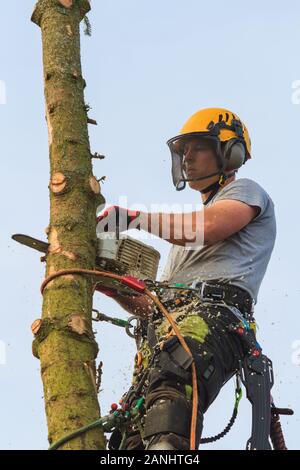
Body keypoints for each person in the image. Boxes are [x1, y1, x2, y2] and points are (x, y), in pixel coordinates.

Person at [96, 107, 277, 450]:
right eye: (183, 151)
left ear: (229, 152)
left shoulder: (247, 193)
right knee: (131, 435)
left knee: (172, 391)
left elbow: (206, 228)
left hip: (212, 321)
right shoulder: (180, 249)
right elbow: (153, 307)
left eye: (198, 147)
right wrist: (111, 286)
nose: (187, 157)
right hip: (168, 330)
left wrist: (135, 218)